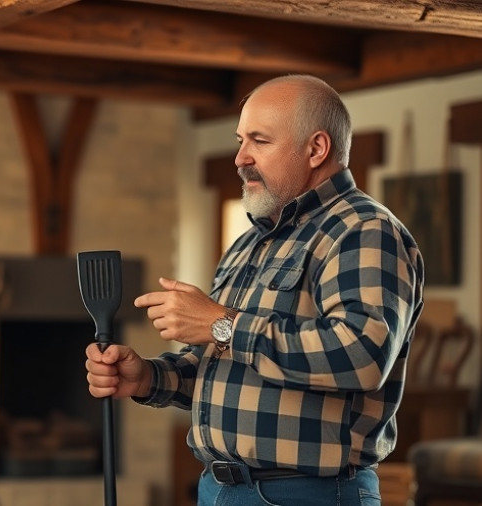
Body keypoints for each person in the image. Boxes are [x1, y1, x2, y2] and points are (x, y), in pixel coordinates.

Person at [85, 75, 424, 506]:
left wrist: (221, 323)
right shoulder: (250, 242)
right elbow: (227, 365)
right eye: (240, 140)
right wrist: (148, 377)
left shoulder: (363, 231)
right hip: (219, 490)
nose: (240, 158)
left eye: (259, 141)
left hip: (308, 495)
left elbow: (361, 355)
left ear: (316, 149)